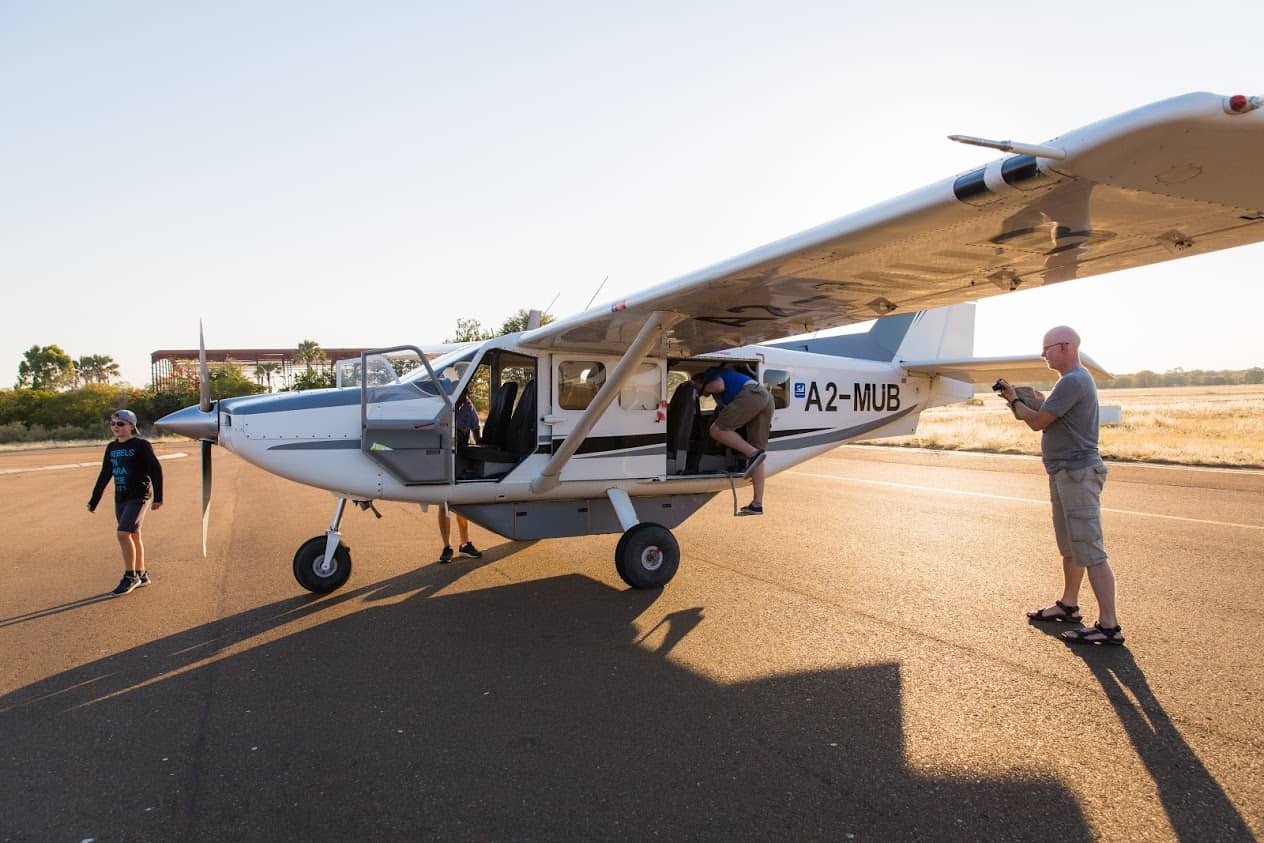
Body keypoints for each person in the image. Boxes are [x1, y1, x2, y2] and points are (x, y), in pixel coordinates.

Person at [997, 326, 1123, 645]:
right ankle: (1069, 604)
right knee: (1070, 547)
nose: (1043, 354)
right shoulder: (1069, 381)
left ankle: (1109, 625)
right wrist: (1022, 400)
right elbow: (1044, 414)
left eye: (1047, 348)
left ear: (1065, 347)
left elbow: (1038, 422)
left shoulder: (1074, 381)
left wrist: (1014, 400)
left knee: (1090, 550)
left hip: (1077, 474)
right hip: (1064, 472)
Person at [87, 409, 164, 596]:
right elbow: (105, 474)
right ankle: (142, 573)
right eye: (113, 424)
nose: (116, 427)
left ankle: (130, 576)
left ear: (131, 426)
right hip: (121, 497)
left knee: (123, 534)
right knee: (134, 534)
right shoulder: (111, 448)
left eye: (120, 424)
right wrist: (94, 500)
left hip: (139, 496)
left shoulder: (141, 445)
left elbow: (155, 470)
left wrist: (158, 497)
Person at [693, 366, 774, 515]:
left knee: (716, 430)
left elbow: (719, 385)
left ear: (702, 381)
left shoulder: (712, 373)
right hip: (764, 396)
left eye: (697, 387)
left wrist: (702, 387)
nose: (700, 394)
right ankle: (757, 504)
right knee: (759, 455)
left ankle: (753, 454)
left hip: (753, 394)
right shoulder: (725, 393)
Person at [439, 390, 482, 563]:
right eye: (462, 396)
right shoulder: (443, 406)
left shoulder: (468, 407)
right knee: (443, 503)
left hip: (462, 456)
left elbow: (476, 427)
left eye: (465, 395)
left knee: (460, 502)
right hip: (444, 457)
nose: (463, 399)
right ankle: (446, 547)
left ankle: (464, 543)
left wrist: (479, 445)